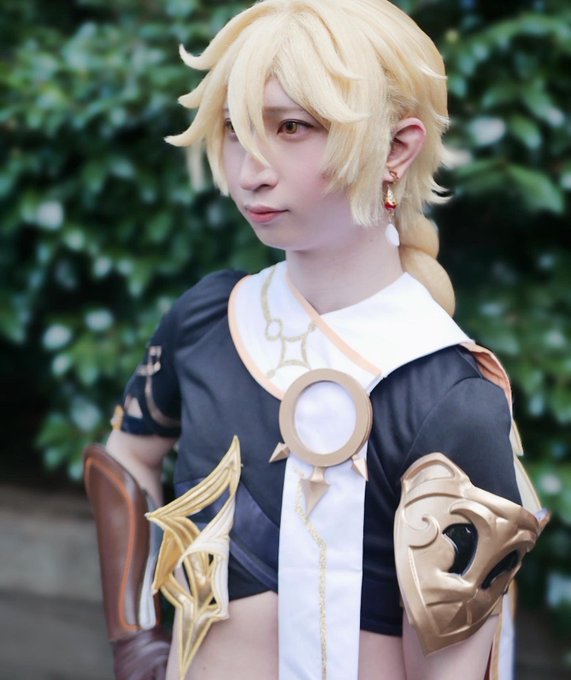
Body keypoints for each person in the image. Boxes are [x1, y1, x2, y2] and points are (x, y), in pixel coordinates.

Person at [83, 1, 547, 679]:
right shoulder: (207, 320)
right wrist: (134, 641)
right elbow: (124, 460)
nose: (251, 170)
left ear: (397, 148)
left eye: (292, 127)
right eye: (237, 129)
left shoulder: (446, 394)